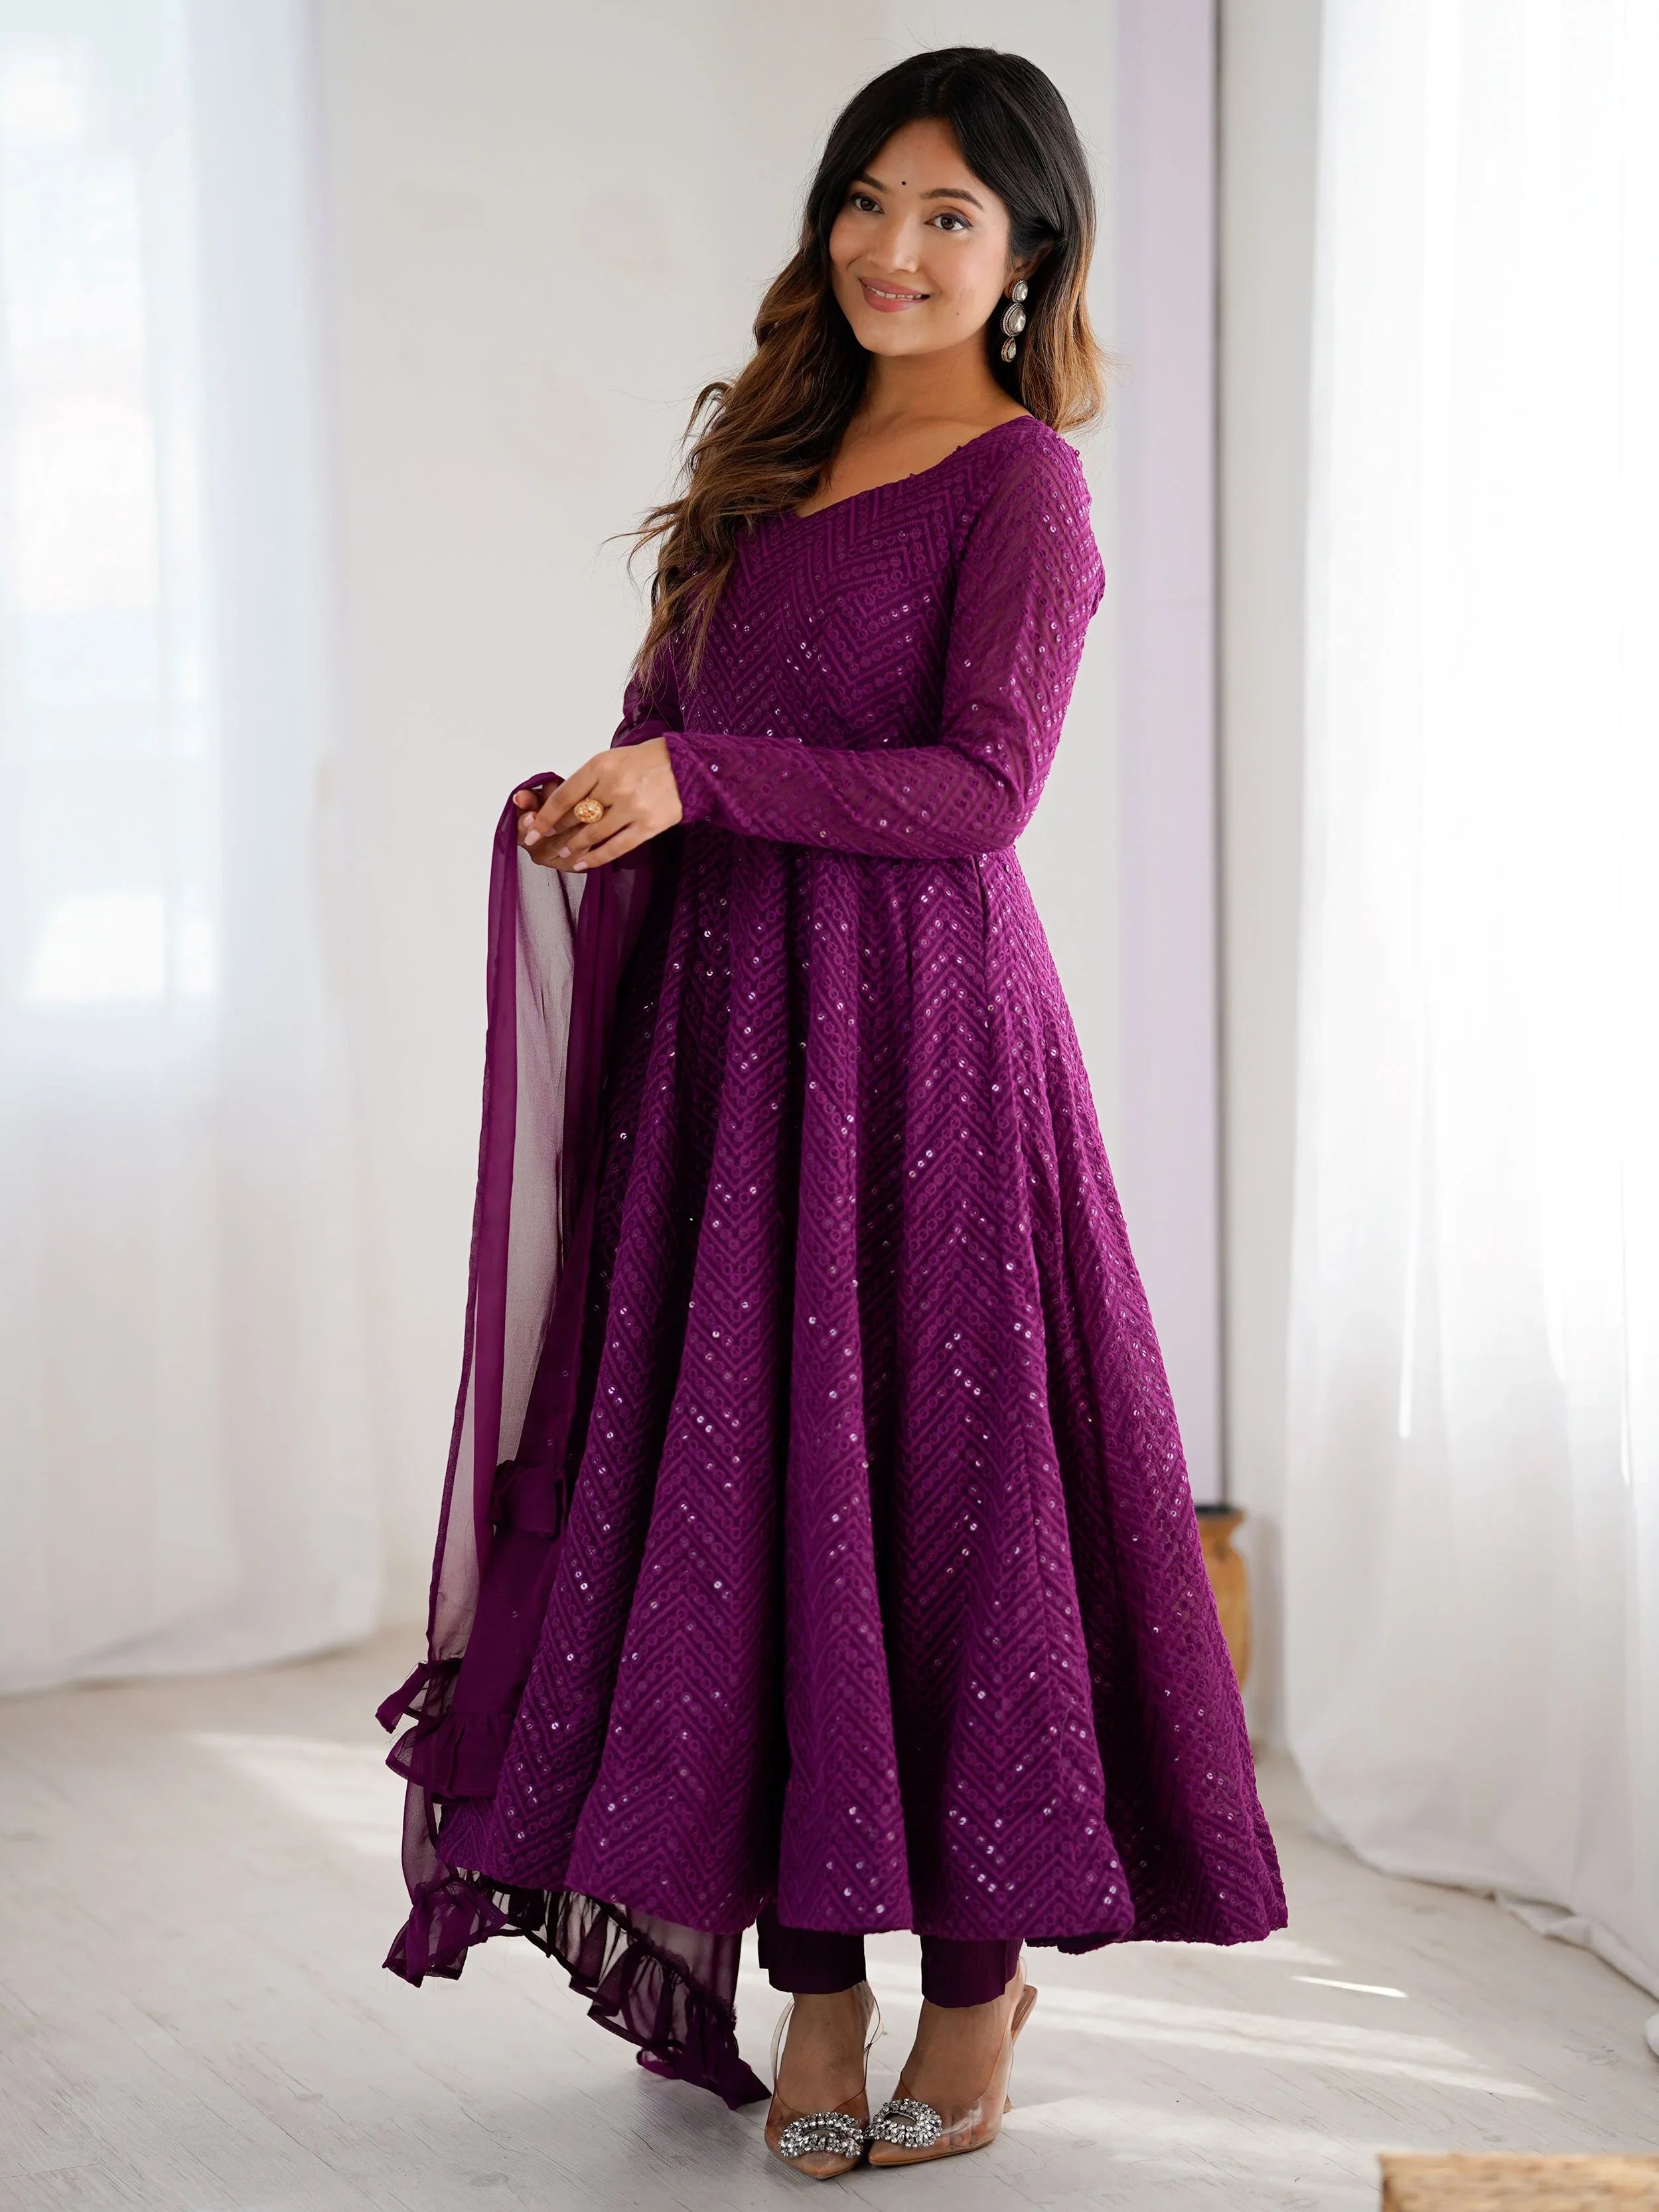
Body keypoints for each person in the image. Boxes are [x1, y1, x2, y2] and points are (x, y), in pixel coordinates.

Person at [377, 44, 1287, 2182]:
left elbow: (985, 795)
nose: (891, 247)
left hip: (925, 1064)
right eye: (866, 198)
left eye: (948, 215)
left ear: (1024, 253)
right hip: (729, 1062)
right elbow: (673, 723)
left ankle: (968, 1991)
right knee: (759, 1512)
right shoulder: (770, 447)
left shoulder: (1021, 483)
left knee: (943, 1511)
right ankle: (815, 1985)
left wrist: (702, 781)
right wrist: (608, 788)